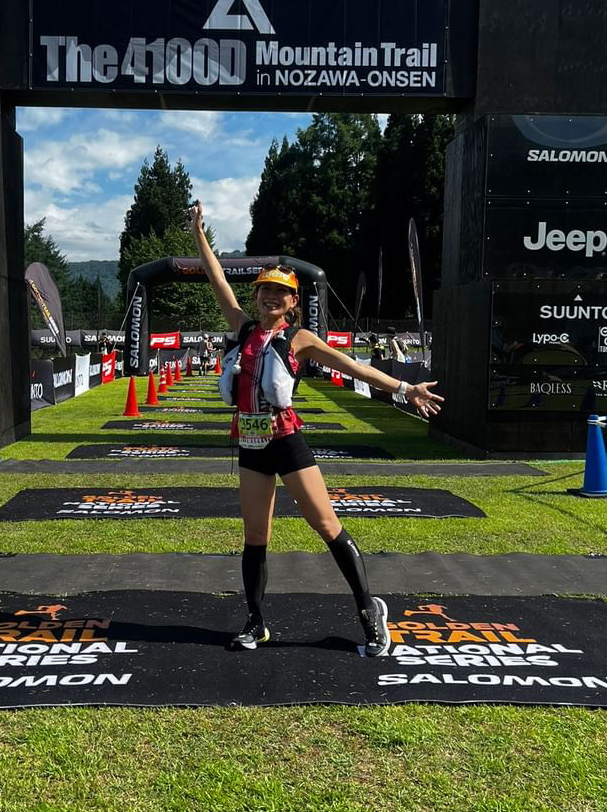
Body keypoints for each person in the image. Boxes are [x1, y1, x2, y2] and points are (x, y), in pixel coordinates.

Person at [188, 201, 444, 656]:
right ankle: (256, 621)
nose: (270, 297)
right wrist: (199, 235)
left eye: (280, 293)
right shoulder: (243, 329)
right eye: (264, 290)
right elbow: (218, 281)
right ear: (257, 297)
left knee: (327, 526)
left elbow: (355, 368)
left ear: (292, 302)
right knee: (254, 537)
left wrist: (405, 387)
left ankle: (370, 613)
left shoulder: (300, 340)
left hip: (286, 442)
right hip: (250, 445)